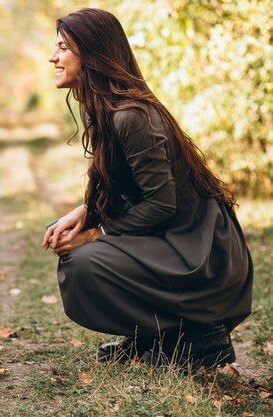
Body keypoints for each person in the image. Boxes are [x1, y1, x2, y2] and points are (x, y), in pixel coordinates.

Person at [41, 8, 253, 369]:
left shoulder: (131, 115)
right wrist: (86, 212)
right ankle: (162, 336)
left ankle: (201, 336)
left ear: (91, 55)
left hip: (199, 250)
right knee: (78, 257)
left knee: (85, 261)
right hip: (172, 239)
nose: (53, 57)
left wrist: (99, 233)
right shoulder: (103, 110)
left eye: (63, 48)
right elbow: (115, 180)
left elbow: (161, 204)